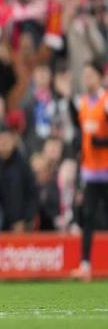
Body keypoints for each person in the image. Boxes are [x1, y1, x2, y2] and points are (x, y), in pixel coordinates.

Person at [71, 61, 108, 281]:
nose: (86, 78)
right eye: (84, 75)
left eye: (90, 74)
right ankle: (85, 265)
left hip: (106, 169)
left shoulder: (105, 102)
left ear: (99, 77)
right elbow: (82, 136)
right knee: (88, 218)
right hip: (90, 172)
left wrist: (101, 142)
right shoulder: (83, 103)